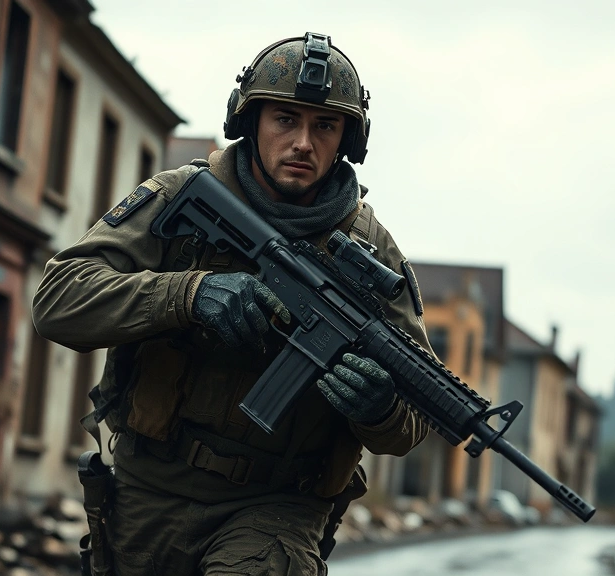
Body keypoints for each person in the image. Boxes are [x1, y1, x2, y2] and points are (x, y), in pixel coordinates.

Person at [33, 32, 433, 576]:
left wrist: (380, 409)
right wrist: (187, 294)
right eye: (285, 119)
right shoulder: (180, 197)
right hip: (148, 491)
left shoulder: (374, 254)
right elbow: (58, 299)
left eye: (324, 126)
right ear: (251, 121)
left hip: (276, 509)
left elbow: (416, 415)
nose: (302, 143)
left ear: (347, 140)